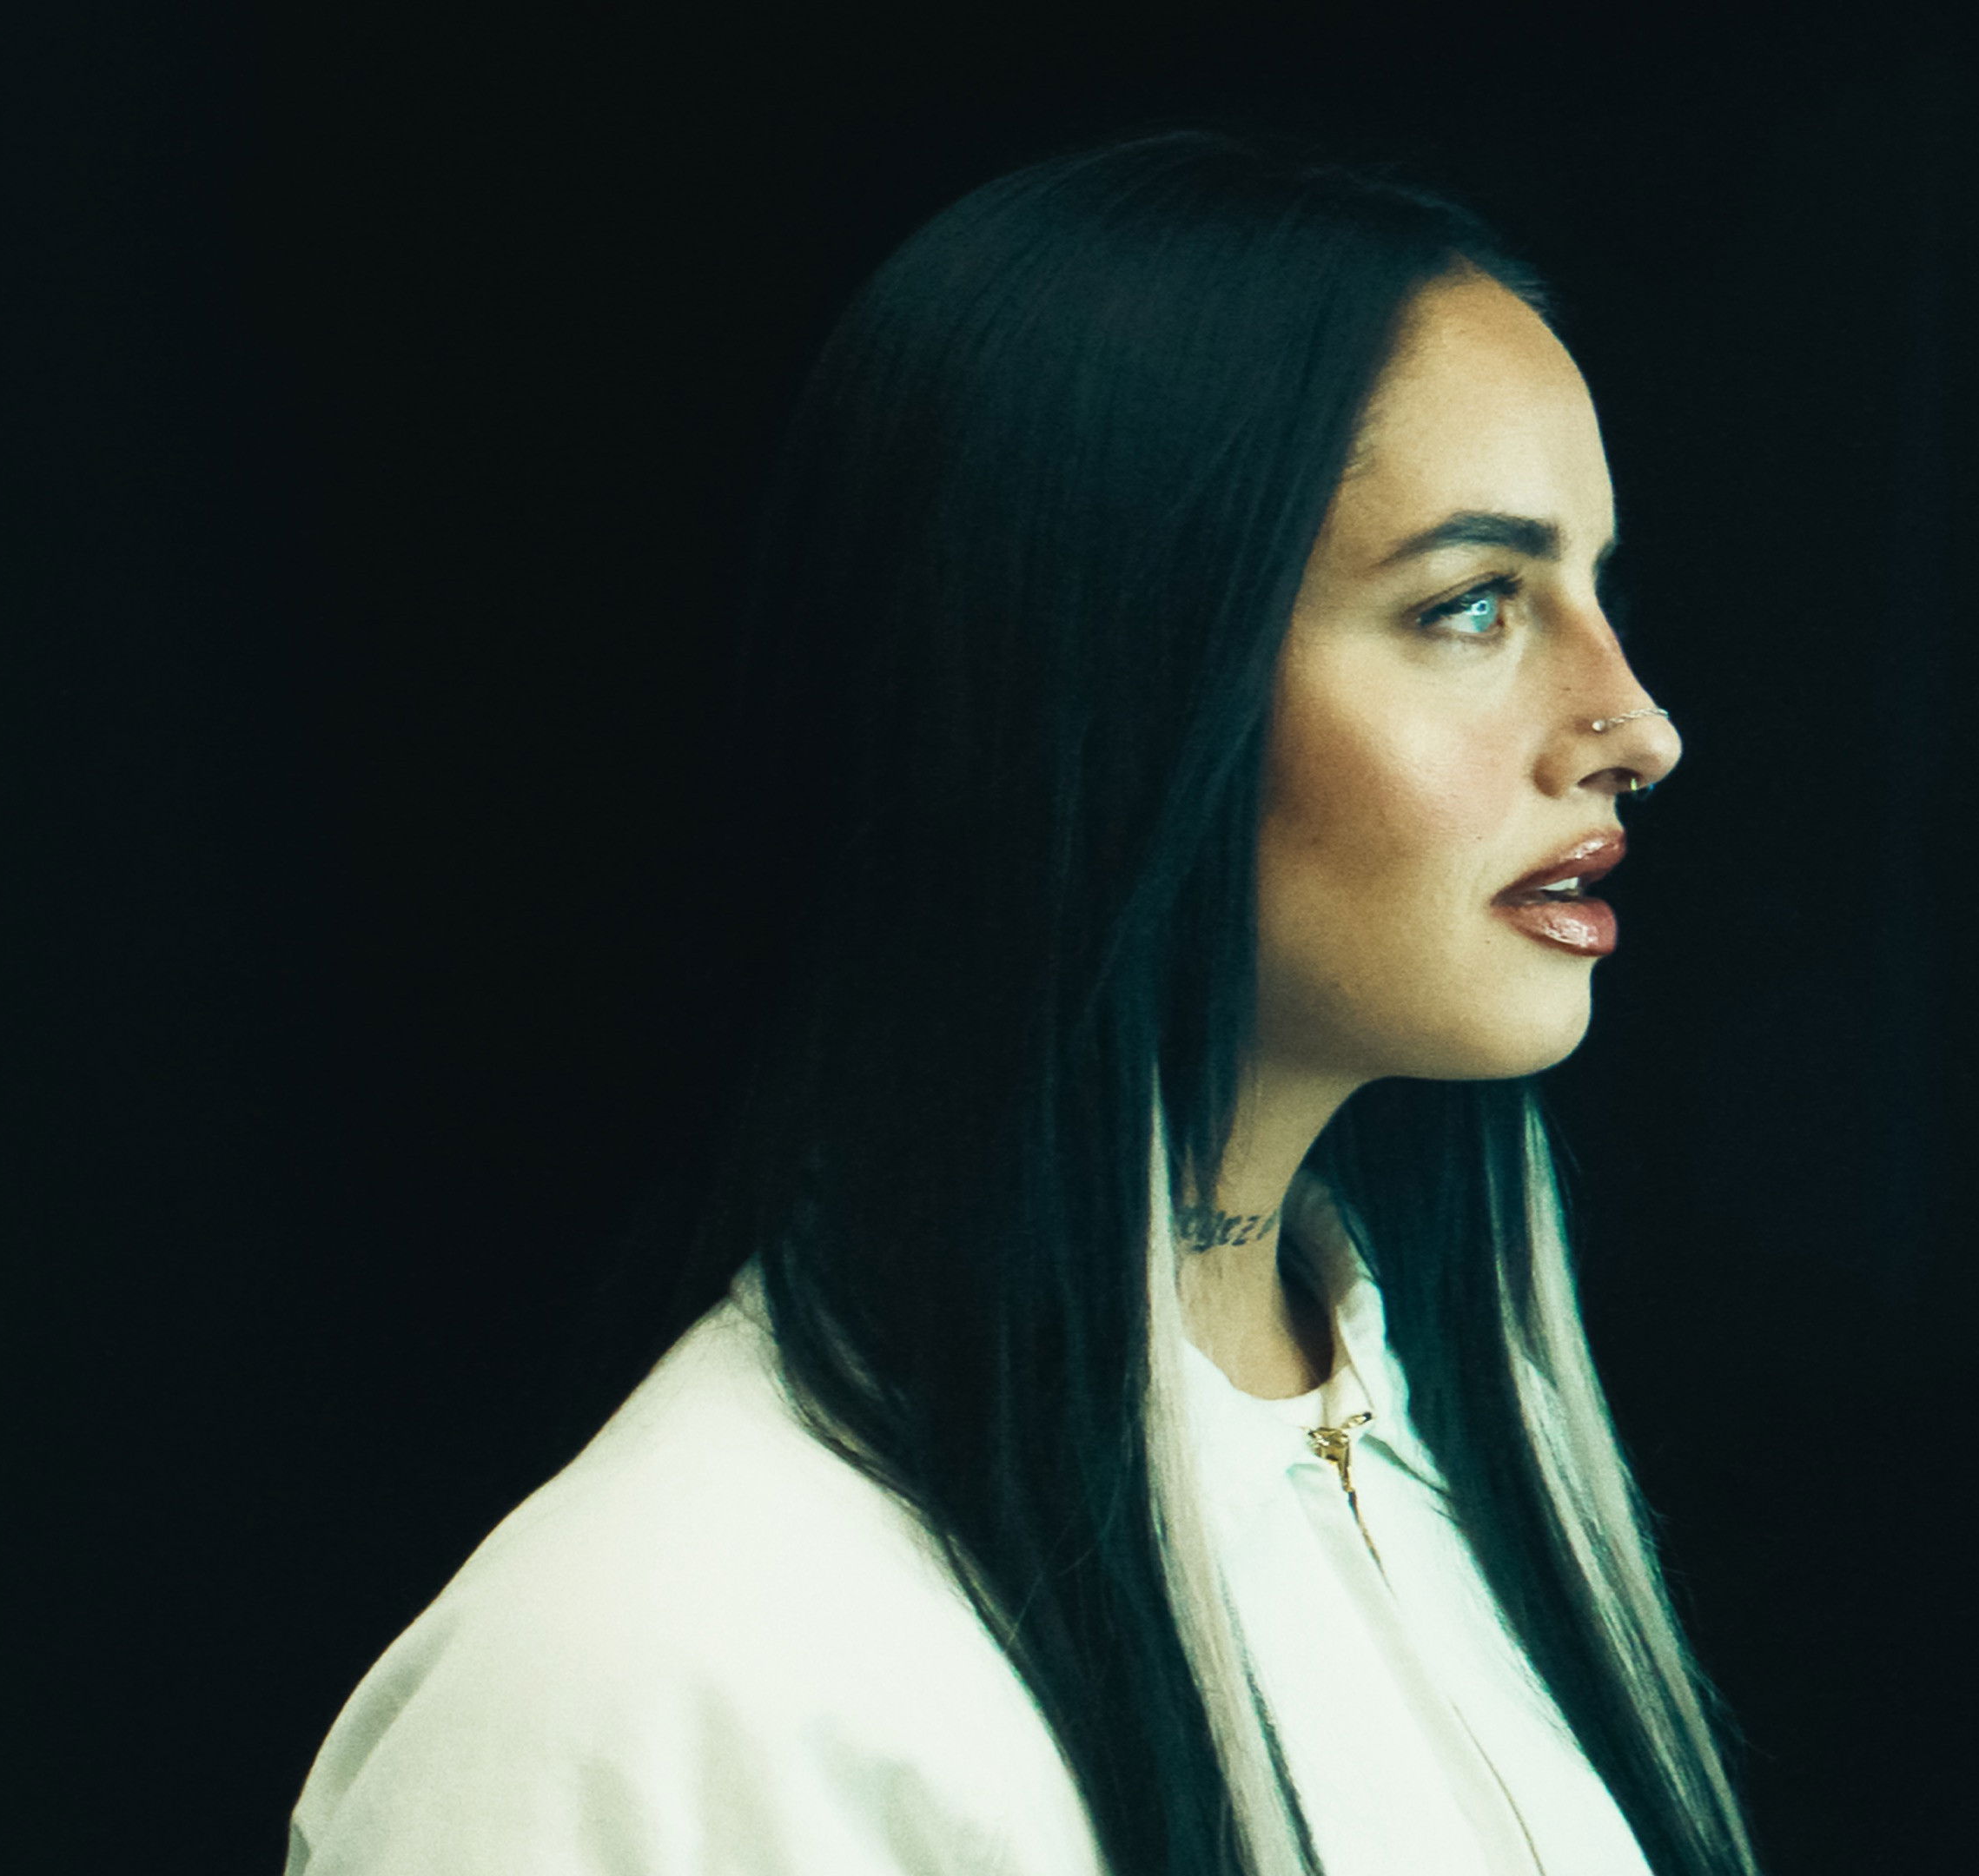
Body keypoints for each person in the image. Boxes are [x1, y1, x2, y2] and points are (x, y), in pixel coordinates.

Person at [284, 124, 1761, 1876]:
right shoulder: (651, 1683)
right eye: (1472, 605)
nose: (1638, 728)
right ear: (1105, 675)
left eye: (1596, 591)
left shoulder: (1437, 1472)